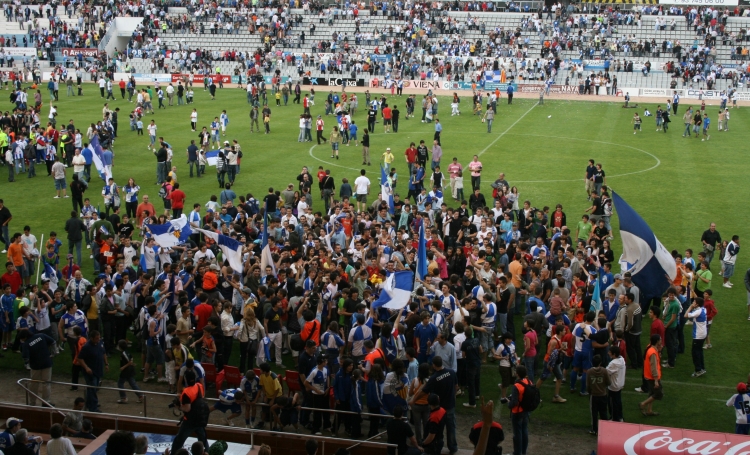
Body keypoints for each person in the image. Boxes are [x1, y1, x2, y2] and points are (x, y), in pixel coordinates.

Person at [171, 370, 209, 452]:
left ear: (186, 379)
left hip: (189, 421)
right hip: (200, 418)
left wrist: (179, 407)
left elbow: (187, 408)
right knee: (203, 440)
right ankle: (207, 453)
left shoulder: (186, 392)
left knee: (179, 440)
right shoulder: (199, 386)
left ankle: (173, 454)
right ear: (195, 378)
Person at [19, 328, 56, 406]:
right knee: (46, 384)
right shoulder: (41, 335)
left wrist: (27, 364)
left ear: (25, 337)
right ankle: (46, 402)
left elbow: (25, 357)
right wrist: (53, 353)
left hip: (35, 366)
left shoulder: (26, 344)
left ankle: (32, 402)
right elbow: (53, 342)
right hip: (47, 363)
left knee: (34, 384)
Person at [76, 330, 107, 412]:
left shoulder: (100, 343)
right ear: (92, 338)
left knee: (94, 388)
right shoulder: (86, 347)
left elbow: (103, 353)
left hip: (98, 369)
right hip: (90, 372)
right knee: (92, 388)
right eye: (97, 338)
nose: (98, 339)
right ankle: (93, 407)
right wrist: (86, 368)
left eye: (99, 337)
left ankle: (89, 403)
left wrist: (106, 364)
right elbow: (79, 358)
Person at [508, 365, 531, 455]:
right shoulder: (529, 382)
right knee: (524, 431)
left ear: (517, 374)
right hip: (526, 410)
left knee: (517, 434)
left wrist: (508, 404)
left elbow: (514, 402)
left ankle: (517, 453)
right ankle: (523, 452)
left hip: (517, 412)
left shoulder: (516, 386)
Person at [640, 334, 663, 417]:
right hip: (652, 377)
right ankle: (643, 404)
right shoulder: (652, 352)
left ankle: (649, 410)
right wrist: (656, 380)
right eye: (660, 339)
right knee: (658, 394)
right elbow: (654, 367)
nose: (661, 340)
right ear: (657, 341)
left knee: (652, 393)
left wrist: (659, 350)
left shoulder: (650, 347)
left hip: (648, 375)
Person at [586, 354, 610, 436]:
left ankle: (594, 429)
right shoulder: (604, 371)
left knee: (594, 413)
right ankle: (606, 429)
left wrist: (590, 392)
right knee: (604, 412)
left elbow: (588, 385)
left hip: (594, 395)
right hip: (603, 394)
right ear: (600, 363)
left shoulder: (589, 372)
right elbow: (609, 382)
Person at [685, 297, 707, 377]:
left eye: (694, 302)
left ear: (697, 304)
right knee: (699, 351)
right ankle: (702, 368)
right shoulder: (703, 309)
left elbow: (685, 315)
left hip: (698, 335)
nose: (693, 302)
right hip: (703, 334)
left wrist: (690, 307)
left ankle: (698, 370)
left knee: (695, 353)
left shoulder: (697, 311)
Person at [606, 345, 626, 422]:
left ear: (614, 354)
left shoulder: (613, 363)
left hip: (613, 386)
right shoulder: (622, 359)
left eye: (610, 352)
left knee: (612, 403)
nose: (608, 353)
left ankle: (614, 418)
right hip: (620, 384)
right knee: (618, 402)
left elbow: (606, 372)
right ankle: (620, 417)